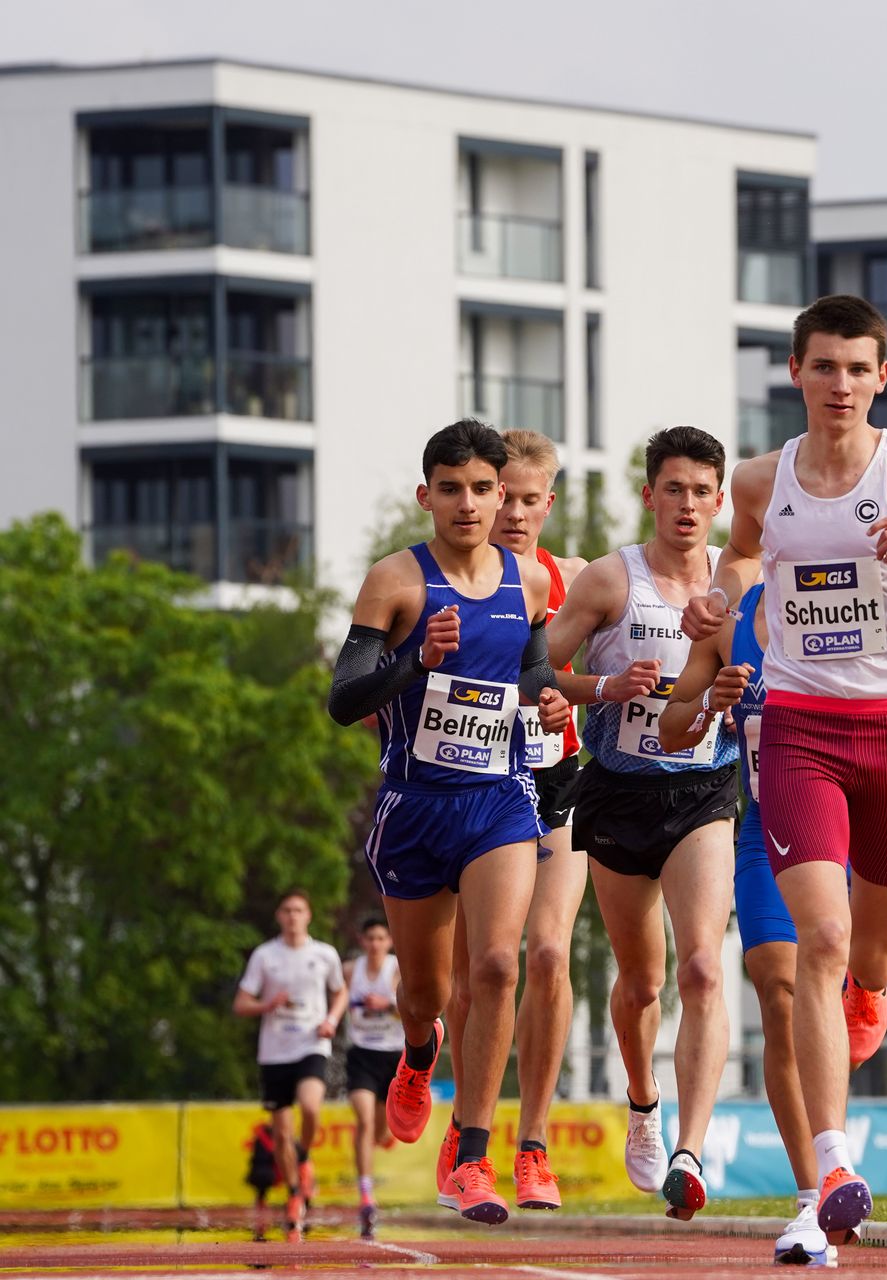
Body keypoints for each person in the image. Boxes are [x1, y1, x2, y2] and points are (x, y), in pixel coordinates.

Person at [680, 295, 887, 1242]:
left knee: (869, 961)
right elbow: (744, 559)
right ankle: (833, 1168)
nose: (839, 384)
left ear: (883, 378)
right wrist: (717, 599)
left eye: (856, 368)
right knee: (817, 946)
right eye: (823, 366)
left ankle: (870, 997)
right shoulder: (758, 479)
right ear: (795, 372)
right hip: (797, 728)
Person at [660, 576, 887, 1263]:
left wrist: (861, 711)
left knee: (867, 961)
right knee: (780, 986)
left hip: (860, 811)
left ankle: (867, 988)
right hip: (772, 826)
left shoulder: (861, 604)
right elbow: (671, 725)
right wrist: (708, 702)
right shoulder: (733, 622)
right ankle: (817, 1190)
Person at [325, 419, 563, 1224]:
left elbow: (528, 677)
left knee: (498, 965)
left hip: (499, 800)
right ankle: (418, 1055)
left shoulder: (526, 583)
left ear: (504, 496)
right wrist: (413, 661)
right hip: (414, 809)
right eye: (451, 489)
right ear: (426, 495)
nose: (469, 504)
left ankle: (471, 1154)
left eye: (484, 490)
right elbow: (343, 701)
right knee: (426, 993)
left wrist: (551, 696)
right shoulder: (395, 581)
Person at [432, 429, 653, 1214]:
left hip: (556, 780)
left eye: (531, 501)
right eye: (506, 498)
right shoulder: (449, 580)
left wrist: (581, 691)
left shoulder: (570, 580)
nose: (515, 515)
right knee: (480, 974)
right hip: (471, 784)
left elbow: (576, 668)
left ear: (547, 502)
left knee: (550, 954)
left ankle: (531, 1147)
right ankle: (465, 1132)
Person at [537, 426, 738, 1220]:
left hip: (703, 790)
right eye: (674, 489)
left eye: (701, 491)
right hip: (617, 794)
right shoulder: (609, 580)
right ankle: (644, 1103)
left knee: (701, 969)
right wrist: (604, 687)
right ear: (649, 495)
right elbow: (533, 670)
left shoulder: (736, 576)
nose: (687, 504)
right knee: (643, 980)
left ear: (720, 501)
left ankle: (691, 1148)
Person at [233, 890, 346, 1242]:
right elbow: (241, 1004)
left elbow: (340, 991)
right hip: (274, 1052)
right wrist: (267, 1004)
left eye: (299, 910)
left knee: (311, 1107)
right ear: (279, 917)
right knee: (281, 1132)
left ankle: (305, 1155)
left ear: (309, 915)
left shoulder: (324, 954)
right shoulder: (265, 956)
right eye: (287, 910)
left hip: (312, 1043)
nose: (293, 916)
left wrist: (331, 1019)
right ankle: (295, 1193)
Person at [344, 916, 402, 1238]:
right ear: (362, 941)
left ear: (389, 942)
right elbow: (333, 992)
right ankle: (366, 1196)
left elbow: (416, 1006)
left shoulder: (396, 970)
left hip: (393, 1056)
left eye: (381, 938)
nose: (375, 944)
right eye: (370, 939)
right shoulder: (350, 971)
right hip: (361, 1055)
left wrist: (387, 1004)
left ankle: (385, 1135)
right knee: (364, 1122)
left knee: (380, 1130)